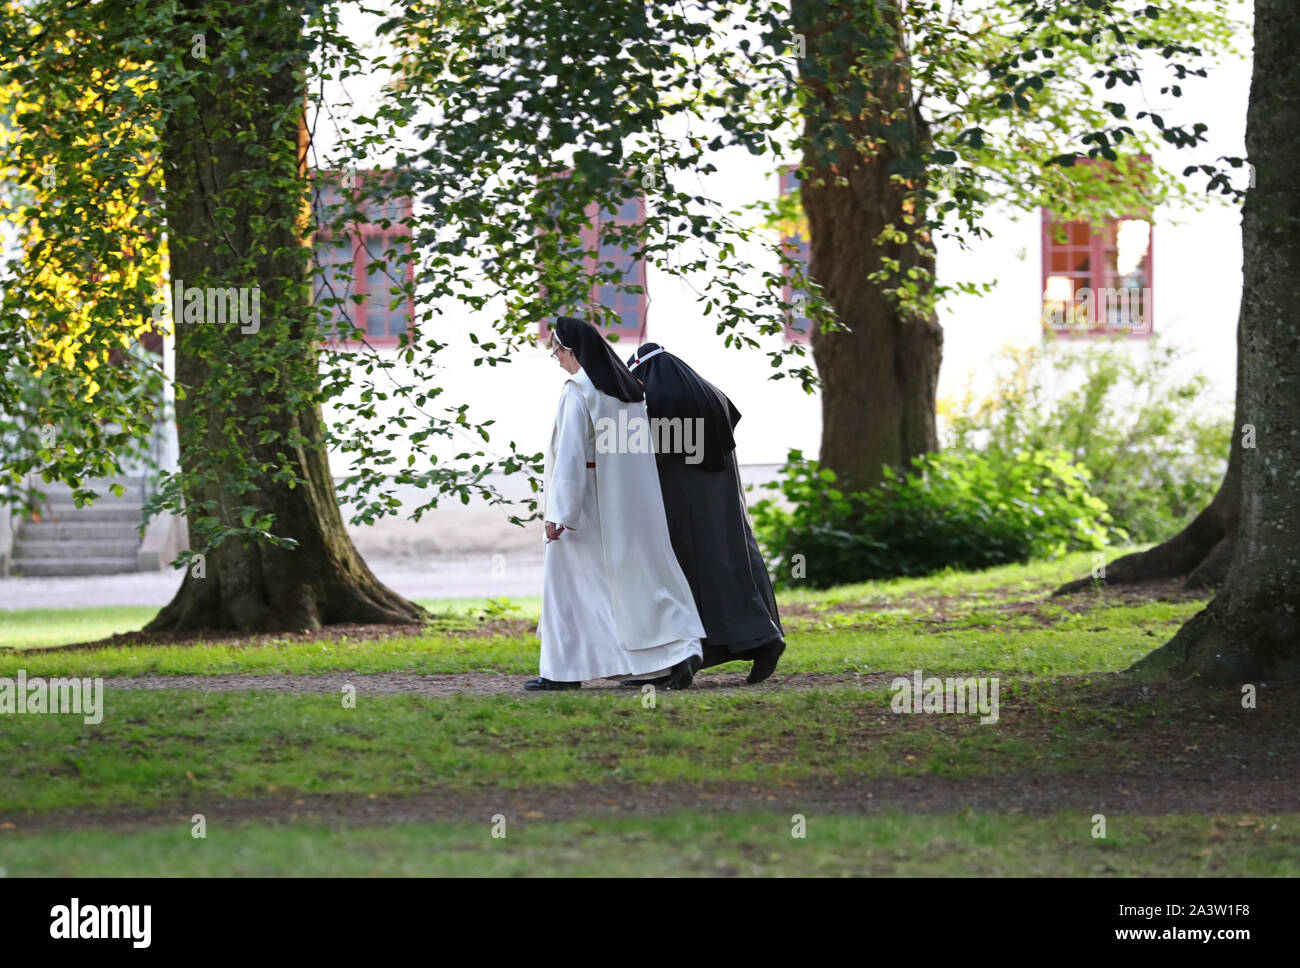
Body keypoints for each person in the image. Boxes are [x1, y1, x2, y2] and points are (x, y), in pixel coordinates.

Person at [527, 318, 706, 692]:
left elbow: (571, 457)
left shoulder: (578, 391)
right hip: (632, 504)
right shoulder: (630, 392)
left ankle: (563, 671)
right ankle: (675, 653)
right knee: (636, 585)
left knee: (568, 589)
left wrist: (559, 513)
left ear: (572, 350)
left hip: (588, 507)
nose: (557, 359)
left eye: (557, 351)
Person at [625, 342, 785, 684]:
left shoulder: (662, 402)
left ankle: (681, 660)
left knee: (685, 579)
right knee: (739, 568)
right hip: (727, 503)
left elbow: (653, 457)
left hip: (685, 507)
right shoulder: (711, 393)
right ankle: (766, 637)